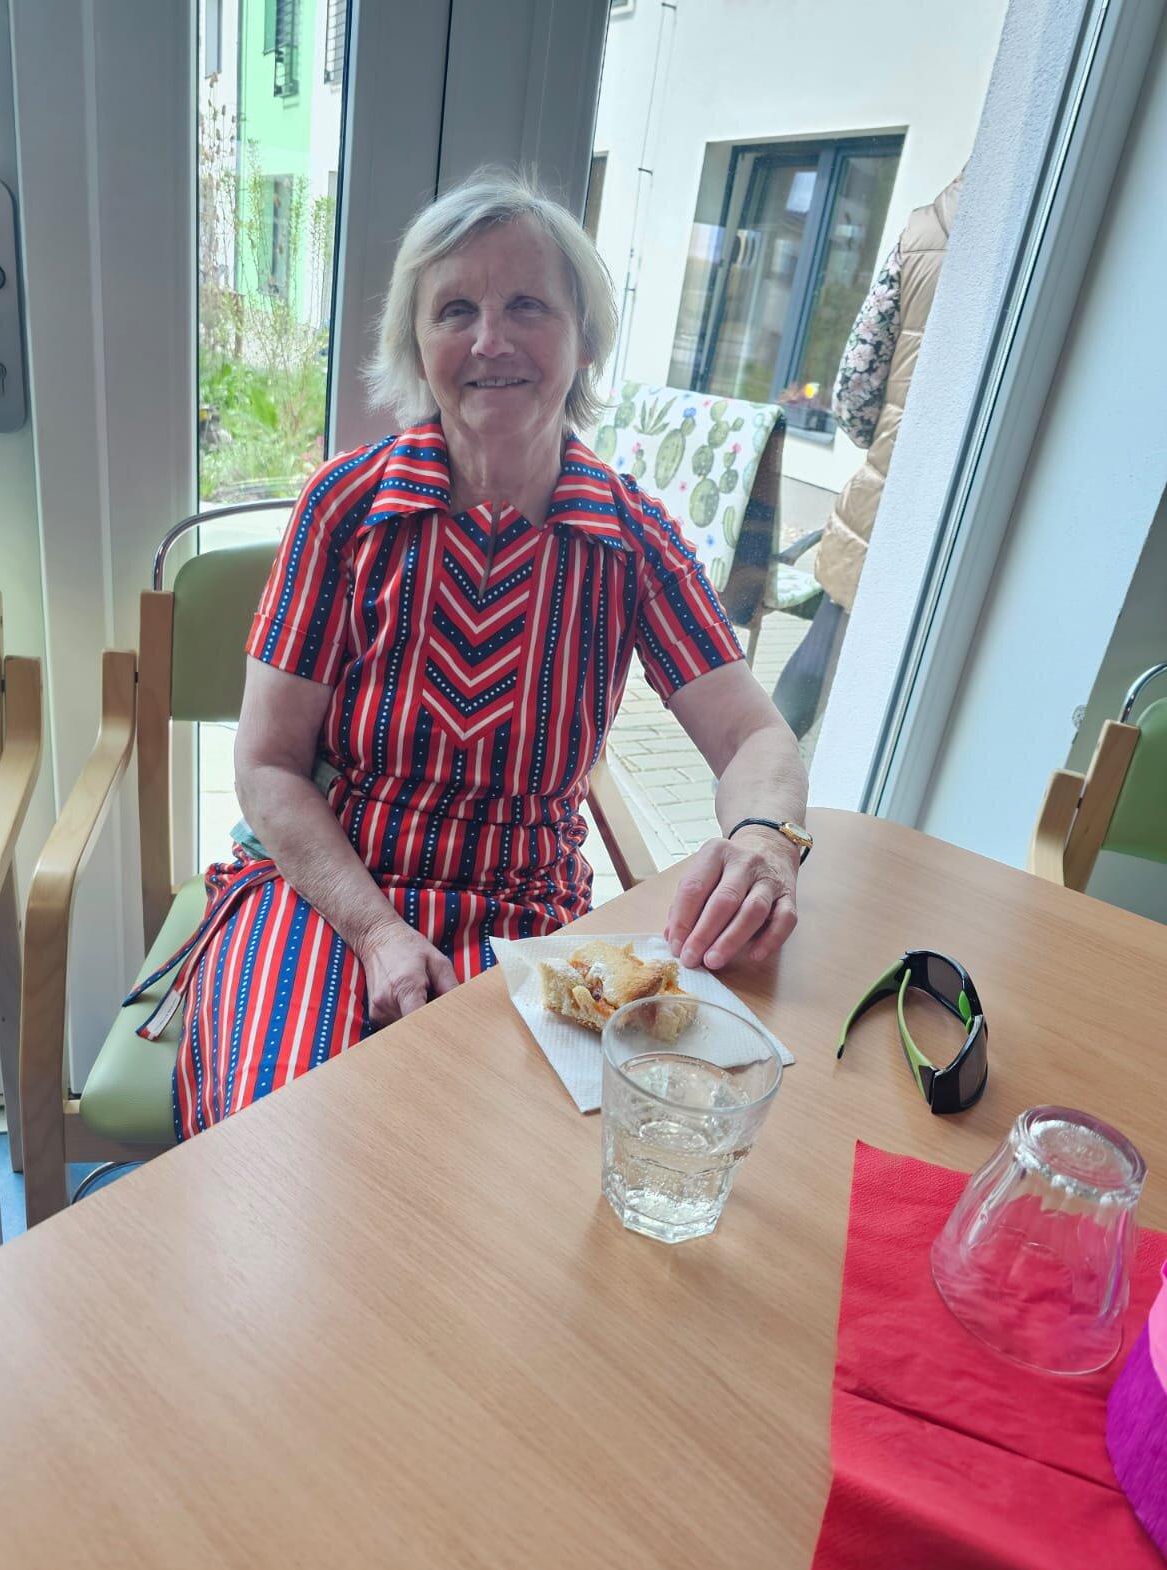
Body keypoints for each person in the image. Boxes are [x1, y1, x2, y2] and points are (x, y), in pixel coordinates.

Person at [130, 170, 809, 1141]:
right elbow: (268, 763)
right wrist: (377, 930)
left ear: (584, 339)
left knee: (507, 1176)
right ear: (417, 344)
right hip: (333, 888)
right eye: (456, 310)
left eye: (527, 304)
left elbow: (753, 737)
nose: (490, 339)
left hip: (528, 912)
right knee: (280, 1148)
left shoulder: (631, 539)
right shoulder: (346, 509)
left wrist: (765, 842)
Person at [772, 171, 964, 741]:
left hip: (891, 490)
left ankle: (750, 772)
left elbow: (855, 388)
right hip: (977, 512)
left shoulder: (921, 232)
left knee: (828, 639)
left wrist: (885, 438)